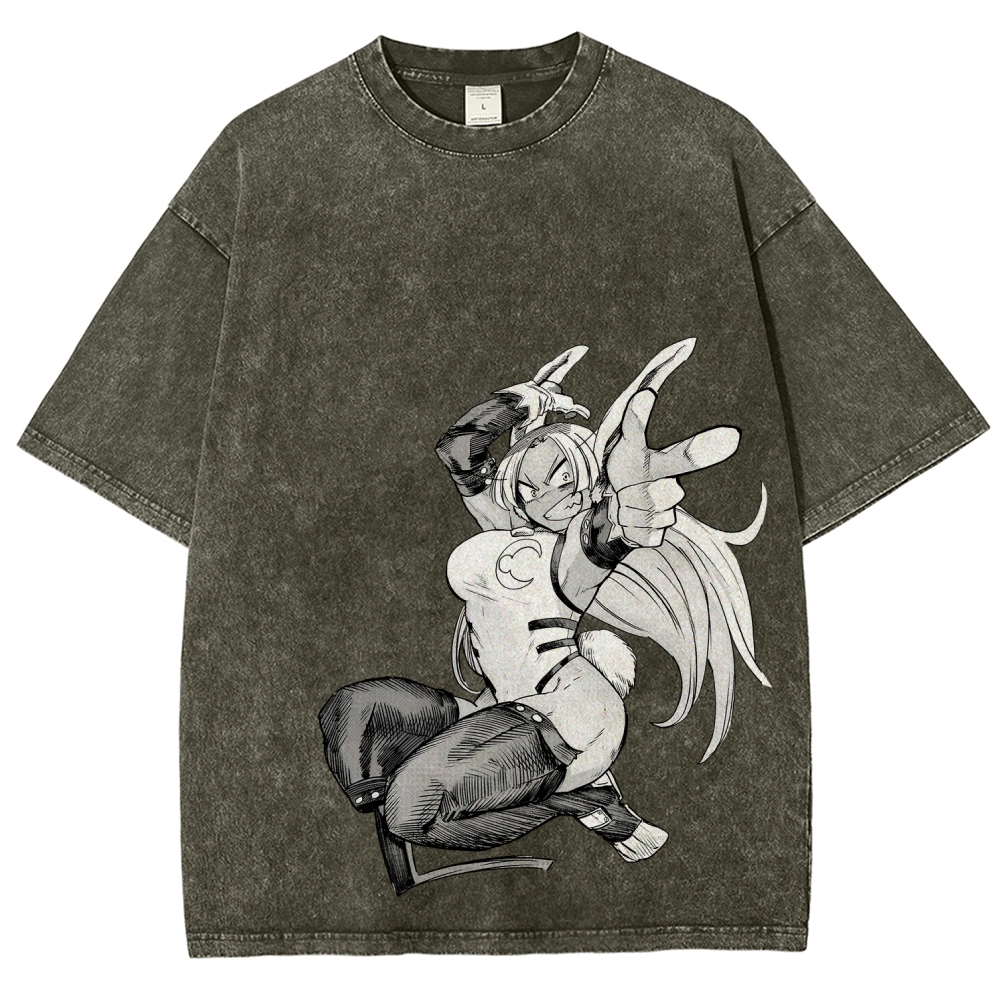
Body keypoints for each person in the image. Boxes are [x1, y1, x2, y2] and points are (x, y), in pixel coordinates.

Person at [319, 341, 769, 891]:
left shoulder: (571, 556)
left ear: (588, 488)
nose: (546, 492)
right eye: (533, 479)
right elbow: (458, 449)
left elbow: (608, 535)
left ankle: (577, 798)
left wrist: (628, 505)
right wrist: (528, 401)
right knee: (354, 709)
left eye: (563, 478)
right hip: (498, 708)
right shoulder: (502, 527)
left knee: (410, 810)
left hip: (569, 714)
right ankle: (416, 802)